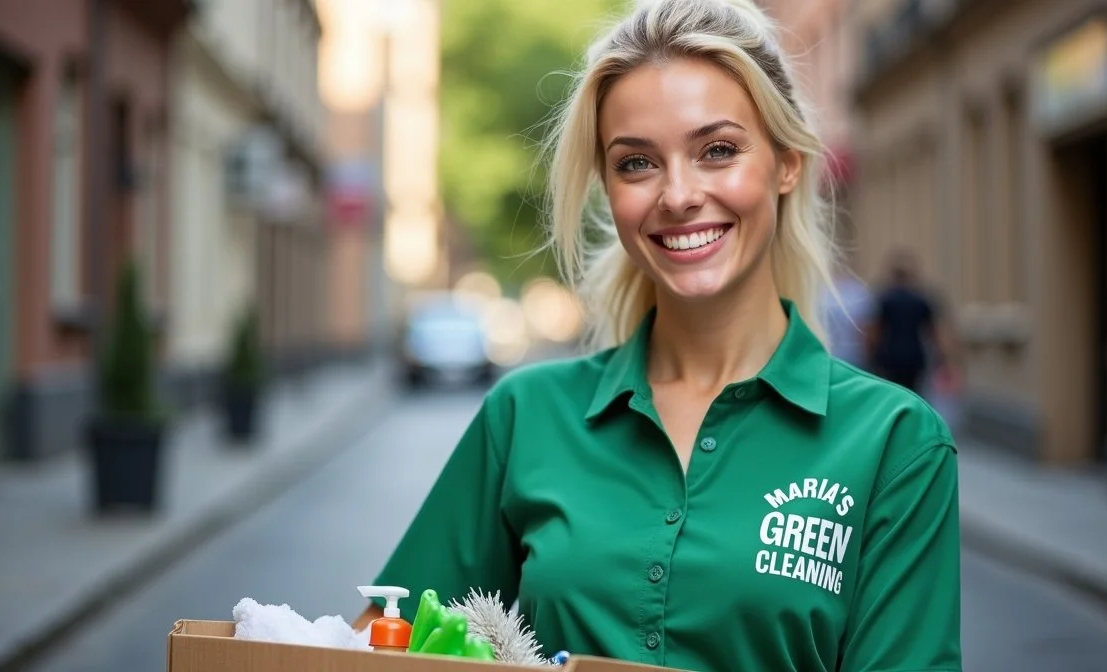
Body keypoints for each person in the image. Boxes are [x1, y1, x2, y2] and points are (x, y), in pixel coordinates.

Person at [356, 1, 961, 670]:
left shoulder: (895, 445)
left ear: (786, 163)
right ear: (608, 189)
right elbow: (384, 641)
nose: (677, 195)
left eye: (718, 150)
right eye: (636, 163)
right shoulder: (525, 417)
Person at [866, 248, 958, 397]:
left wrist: (869, 356)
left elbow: (874, 331)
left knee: (892, 394)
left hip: (889, 356)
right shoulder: (922, 299)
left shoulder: (884, 298)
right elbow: (935, 331)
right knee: (914, 394)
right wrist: (945, 359)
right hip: (915, 356)